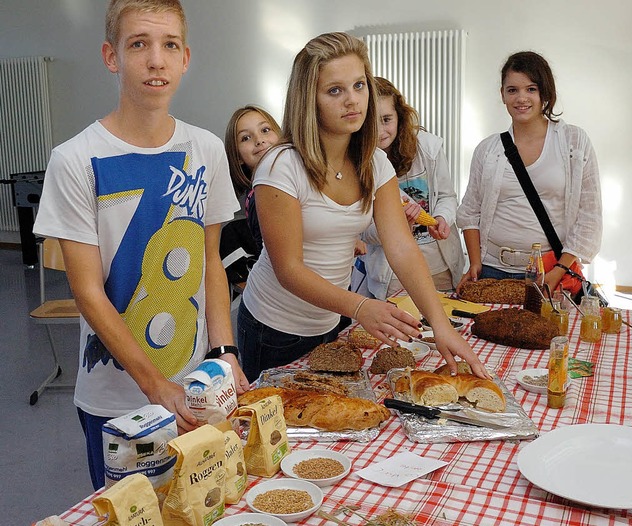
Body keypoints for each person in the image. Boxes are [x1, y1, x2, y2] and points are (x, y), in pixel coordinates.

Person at [33, 0, 249, 491]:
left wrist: (225, 352)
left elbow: (210, 263)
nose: (156, 59)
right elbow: (87, 293)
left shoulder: (206, 150)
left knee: (206, 504)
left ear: (185, 57)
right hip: (115, 399)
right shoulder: (74, 159)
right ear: (112, 56)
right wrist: (155, 387)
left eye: (169, 45)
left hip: (198, 386)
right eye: (139, 45)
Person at [236, 32, 489, 384]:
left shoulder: (374, 163)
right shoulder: (281, 166)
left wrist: (441, 325)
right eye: (335, 90)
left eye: (359, 86)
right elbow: (288, 269)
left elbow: (400, 246)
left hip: (332, 320)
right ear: (309, 99)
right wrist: (359, 306)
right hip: (274, 329)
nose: (352, 101)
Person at [456, 51, 602, 294]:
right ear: (502, 95)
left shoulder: (573, 142)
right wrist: (474, 263)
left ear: (545, 93)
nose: (521, 98)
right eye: (512, 90)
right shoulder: (488, 149)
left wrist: (558, 271)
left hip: (552, 270)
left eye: (531, 89)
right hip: (493, 270)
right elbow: (470, 212)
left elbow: (589, 216)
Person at [361, 77, 465, 299]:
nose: (380, 131)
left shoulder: (428, 148)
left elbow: (448, 196)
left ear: (400, 116)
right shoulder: (358, 164)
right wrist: (395, 226)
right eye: (371, 123)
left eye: (386, 119)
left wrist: (442, 217)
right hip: (393, 275)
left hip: (438, 267)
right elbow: (365, 233)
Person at [224, 105, 281, 253]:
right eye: (246, 138)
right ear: (238, 158)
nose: (259, 140)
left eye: (265, 130)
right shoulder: (259, 198)